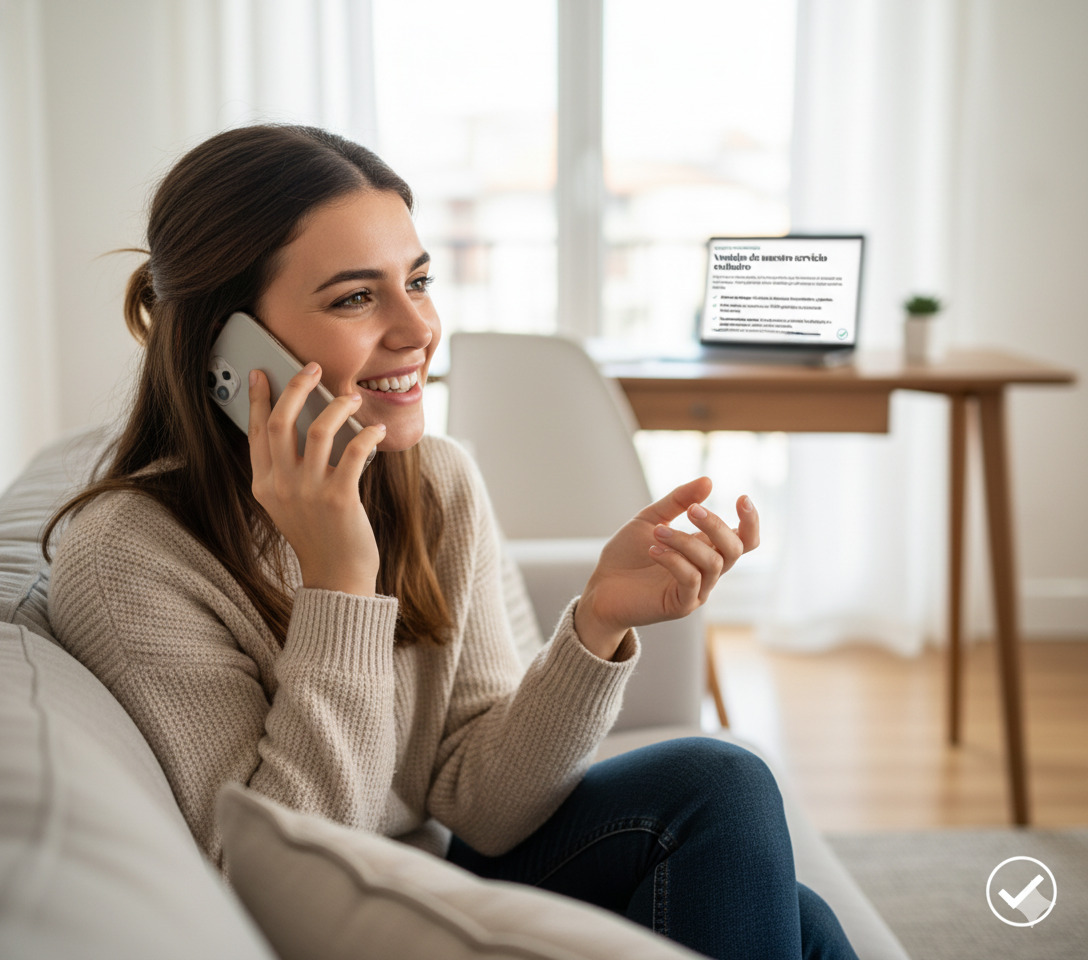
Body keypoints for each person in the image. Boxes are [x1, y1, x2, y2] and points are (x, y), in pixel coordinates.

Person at [44, 124, 857, 960]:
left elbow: (483, 801)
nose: (417, 329)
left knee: (781, 887)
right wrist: (341, 586)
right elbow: (270, 876)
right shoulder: (129, 558)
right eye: (356, 297)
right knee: (735, 808)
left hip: (444, 870)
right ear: (229, 345)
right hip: (355, 920)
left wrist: (598, 622)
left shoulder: (432, 479)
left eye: (419, 280)